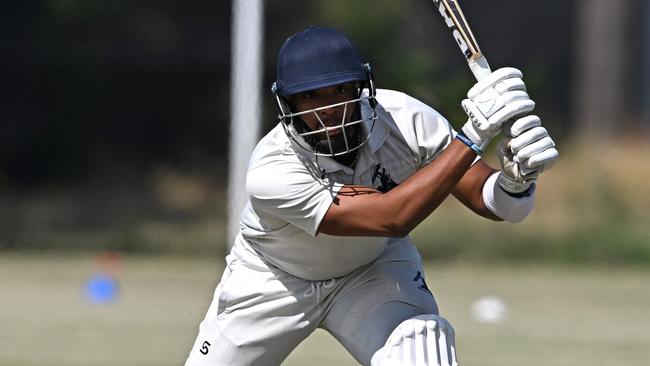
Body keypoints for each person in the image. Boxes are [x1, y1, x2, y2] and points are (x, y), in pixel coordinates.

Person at [185, 26, 558, 366]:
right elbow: (390, 217)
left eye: (341, 90)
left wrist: (514, 181)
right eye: (311, 96)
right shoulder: (272, 170)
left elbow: (486, 199)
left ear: (361, 88)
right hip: (274, 280)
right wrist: (474, 136)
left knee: (421, 346)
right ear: (288, 103)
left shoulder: (403, 118)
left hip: (373, 271)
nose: (329, 109)